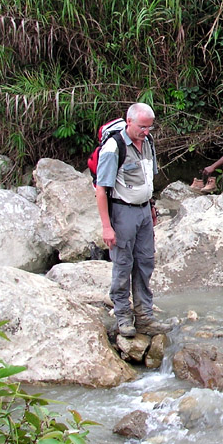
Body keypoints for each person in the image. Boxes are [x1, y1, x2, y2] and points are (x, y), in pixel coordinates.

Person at [95, 102, 170, 338]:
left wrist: (151, 207)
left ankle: (145, 316)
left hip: (143, 212)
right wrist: (107, 227)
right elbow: (101, 189)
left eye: (149, 127)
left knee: (145, 262)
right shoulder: (113, 147)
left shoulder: (148, 143)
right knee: (123, 264)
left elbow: (148, 180)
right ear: (129, 122)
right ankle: (123, 317)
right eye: (141, 127)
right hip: (122, 212)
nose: (146, 131)